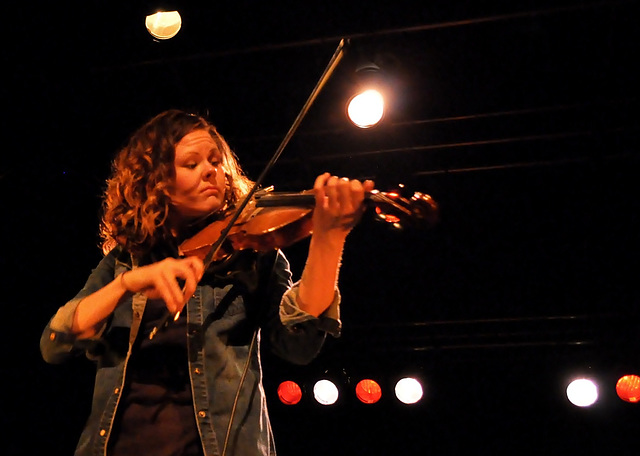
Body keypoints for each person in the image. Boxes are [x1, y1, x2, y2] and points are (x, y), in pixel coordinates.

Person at [40, 109, 374, 456]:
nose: (211, 170)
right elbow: (54, 343)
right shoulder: (126, 260)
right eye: (191, 163)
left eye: (216, 161)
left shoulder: (254, 255)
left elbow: (299, 346)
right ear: (156, 181)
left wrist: (329, 237)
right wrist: (127, 284)